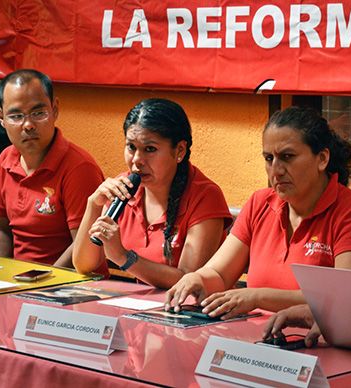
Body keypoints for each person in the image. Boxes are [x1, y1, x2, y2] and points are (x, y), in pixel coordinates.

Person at [165, 106, 351, 324]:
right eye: (269, 158)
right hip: (256, 341)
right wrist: (197, 278)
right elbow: (220, 274)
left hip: (314, 343)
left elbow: (345, 298)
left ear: (322, 159)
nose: (276, 170)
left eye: (287, 157)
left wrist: (257, 297)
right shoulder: (260, 203)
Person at [73, 98, 232, 288]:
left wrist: (124, 257)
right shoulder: (124, 188)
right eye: (131, 147)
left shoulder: (205, 196)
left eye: (150, 149)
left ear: (180, 150)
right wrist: (94, 205)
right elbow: (83, 265)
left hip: (185, 310)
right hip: (136, 305)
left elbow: (189, 281)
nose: (137, 160)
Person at [0, 69, 104, 267]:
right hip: (19, 282)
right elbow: (1, 229)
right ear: (1, 117)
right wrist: (1, 274)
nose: (28, 125)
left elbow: (84, 242)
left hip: (71, 283)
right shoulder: (5, 159)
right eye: (16, 116)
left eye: (38, 113)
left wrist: (43, 283)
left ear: (55, 109)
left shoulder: (79, 167)